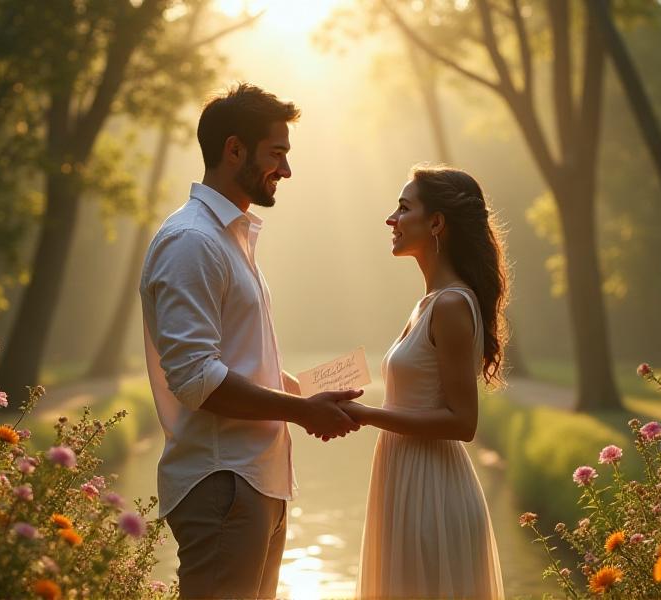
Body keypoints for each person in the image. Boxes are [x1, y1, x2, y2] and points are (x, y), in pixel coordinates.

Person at [139, 83, 361, 599]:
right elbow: (196, 379)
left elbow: (242, 360)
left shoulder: (229, 237)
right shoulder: (192, 242)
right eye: (277, 153)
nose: (285, 170)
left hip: (255, 482)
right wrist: (303, 412)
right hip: (223, 482)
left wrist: (311, 395)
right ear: (234, 149)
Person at [341, 165, 507, 599]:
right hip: (403, 481)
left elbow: (462, 422)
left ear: (436, 223)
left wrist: (366, 415)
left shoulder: (451, 304)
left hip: (431, 492)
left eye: (402, 208)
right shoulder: (428, 303)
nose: (390, 219)